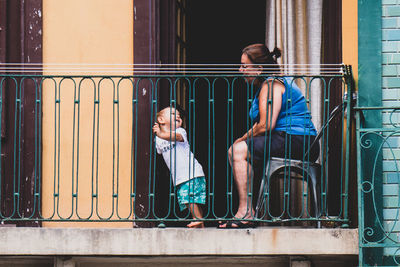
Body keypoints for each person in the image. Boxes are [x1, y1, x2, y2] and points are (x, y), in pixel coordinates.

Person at [218, 43, 320, 228]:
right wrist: (244, 139)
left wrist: (241, 140)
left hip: (297, 140)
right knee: (240, 151)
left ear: (259, 69)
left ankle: (246, 212)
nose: (240, 70)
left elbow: (266, 124)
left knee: (237, 152)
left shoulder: (271, 85)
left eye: (244, 66)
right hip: (295, 139)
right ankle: (247, 210)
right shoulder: (270, 84)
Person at [153, 106, 206, 228]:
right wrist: (160, 134)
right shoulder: (159, 139)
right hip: (179, 176)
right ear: (161, 120)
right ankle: (200, 224)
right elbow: (160, 151)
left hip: (191, 172)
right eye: (172, 113)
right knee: (190, 199)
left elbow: (175, 137)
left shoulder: (180, 132)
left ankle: (197, 219)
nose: (177, 116)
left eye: (178, 115)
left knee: (190, 198)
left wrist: (161, 133)